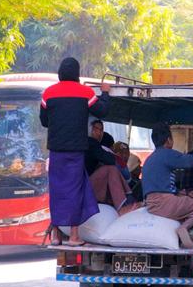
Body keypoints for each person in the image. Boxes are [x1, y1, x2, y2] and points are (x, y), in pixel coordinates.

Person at [40, 57, 110, 246]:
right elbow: (102, 110)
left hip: (56, 151)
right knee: (75, 191)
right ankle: (73, 236)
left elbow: (44, 121)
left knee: (57, 192)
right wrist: (105, 93)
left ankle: (55, 235)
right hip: (76, 152)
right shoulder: (85, 92)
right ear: (77, 73)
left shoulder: (48, 94)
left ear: (60, 72)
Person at [86, 120, 136, 212]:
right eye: (97, 129)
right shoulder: (91, 143)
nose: (100, 133)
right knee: (110, 169)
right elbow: (110, 160)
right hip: (85, 186)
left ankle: (128, 200)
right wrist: (114, 156)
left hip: (90, 186)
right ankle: (122, 206)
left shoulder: (94, 146)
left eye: (101, 130)